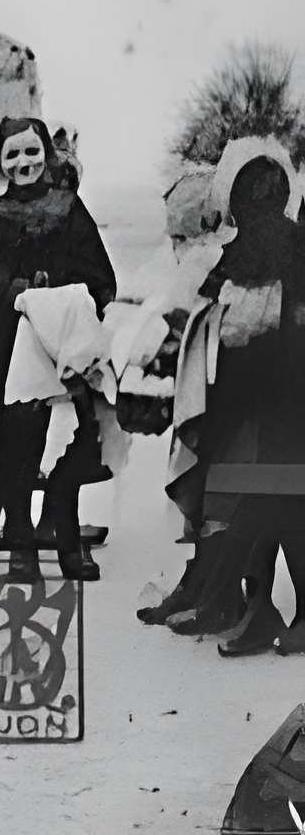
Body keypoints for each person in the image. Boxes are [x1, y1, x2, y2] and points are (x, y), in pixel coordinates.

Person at [0, 114, 118, 581]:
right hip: (3, 348)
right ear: (0, 160)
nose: (23, 162)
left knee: (67, 447)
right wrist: (15, 290)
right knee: (16, 448)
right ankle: (20, 546)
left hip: (59, 346)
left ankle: (67, 543)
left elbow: (102, 279)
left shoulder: (69, 210)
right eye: (12, 154)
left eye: (31, 151)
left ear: (46, 152)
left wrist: (68, 304)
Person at [166, 139, 305, 655]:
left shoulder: (289, 252)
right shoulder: (231, 256)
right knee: (256, 501)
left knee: (275, 503)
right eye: (254, 197)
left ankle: (255, 605)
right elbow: (203, 319)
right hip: (244, 402)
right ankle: (253, 605)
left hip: (277, 403)